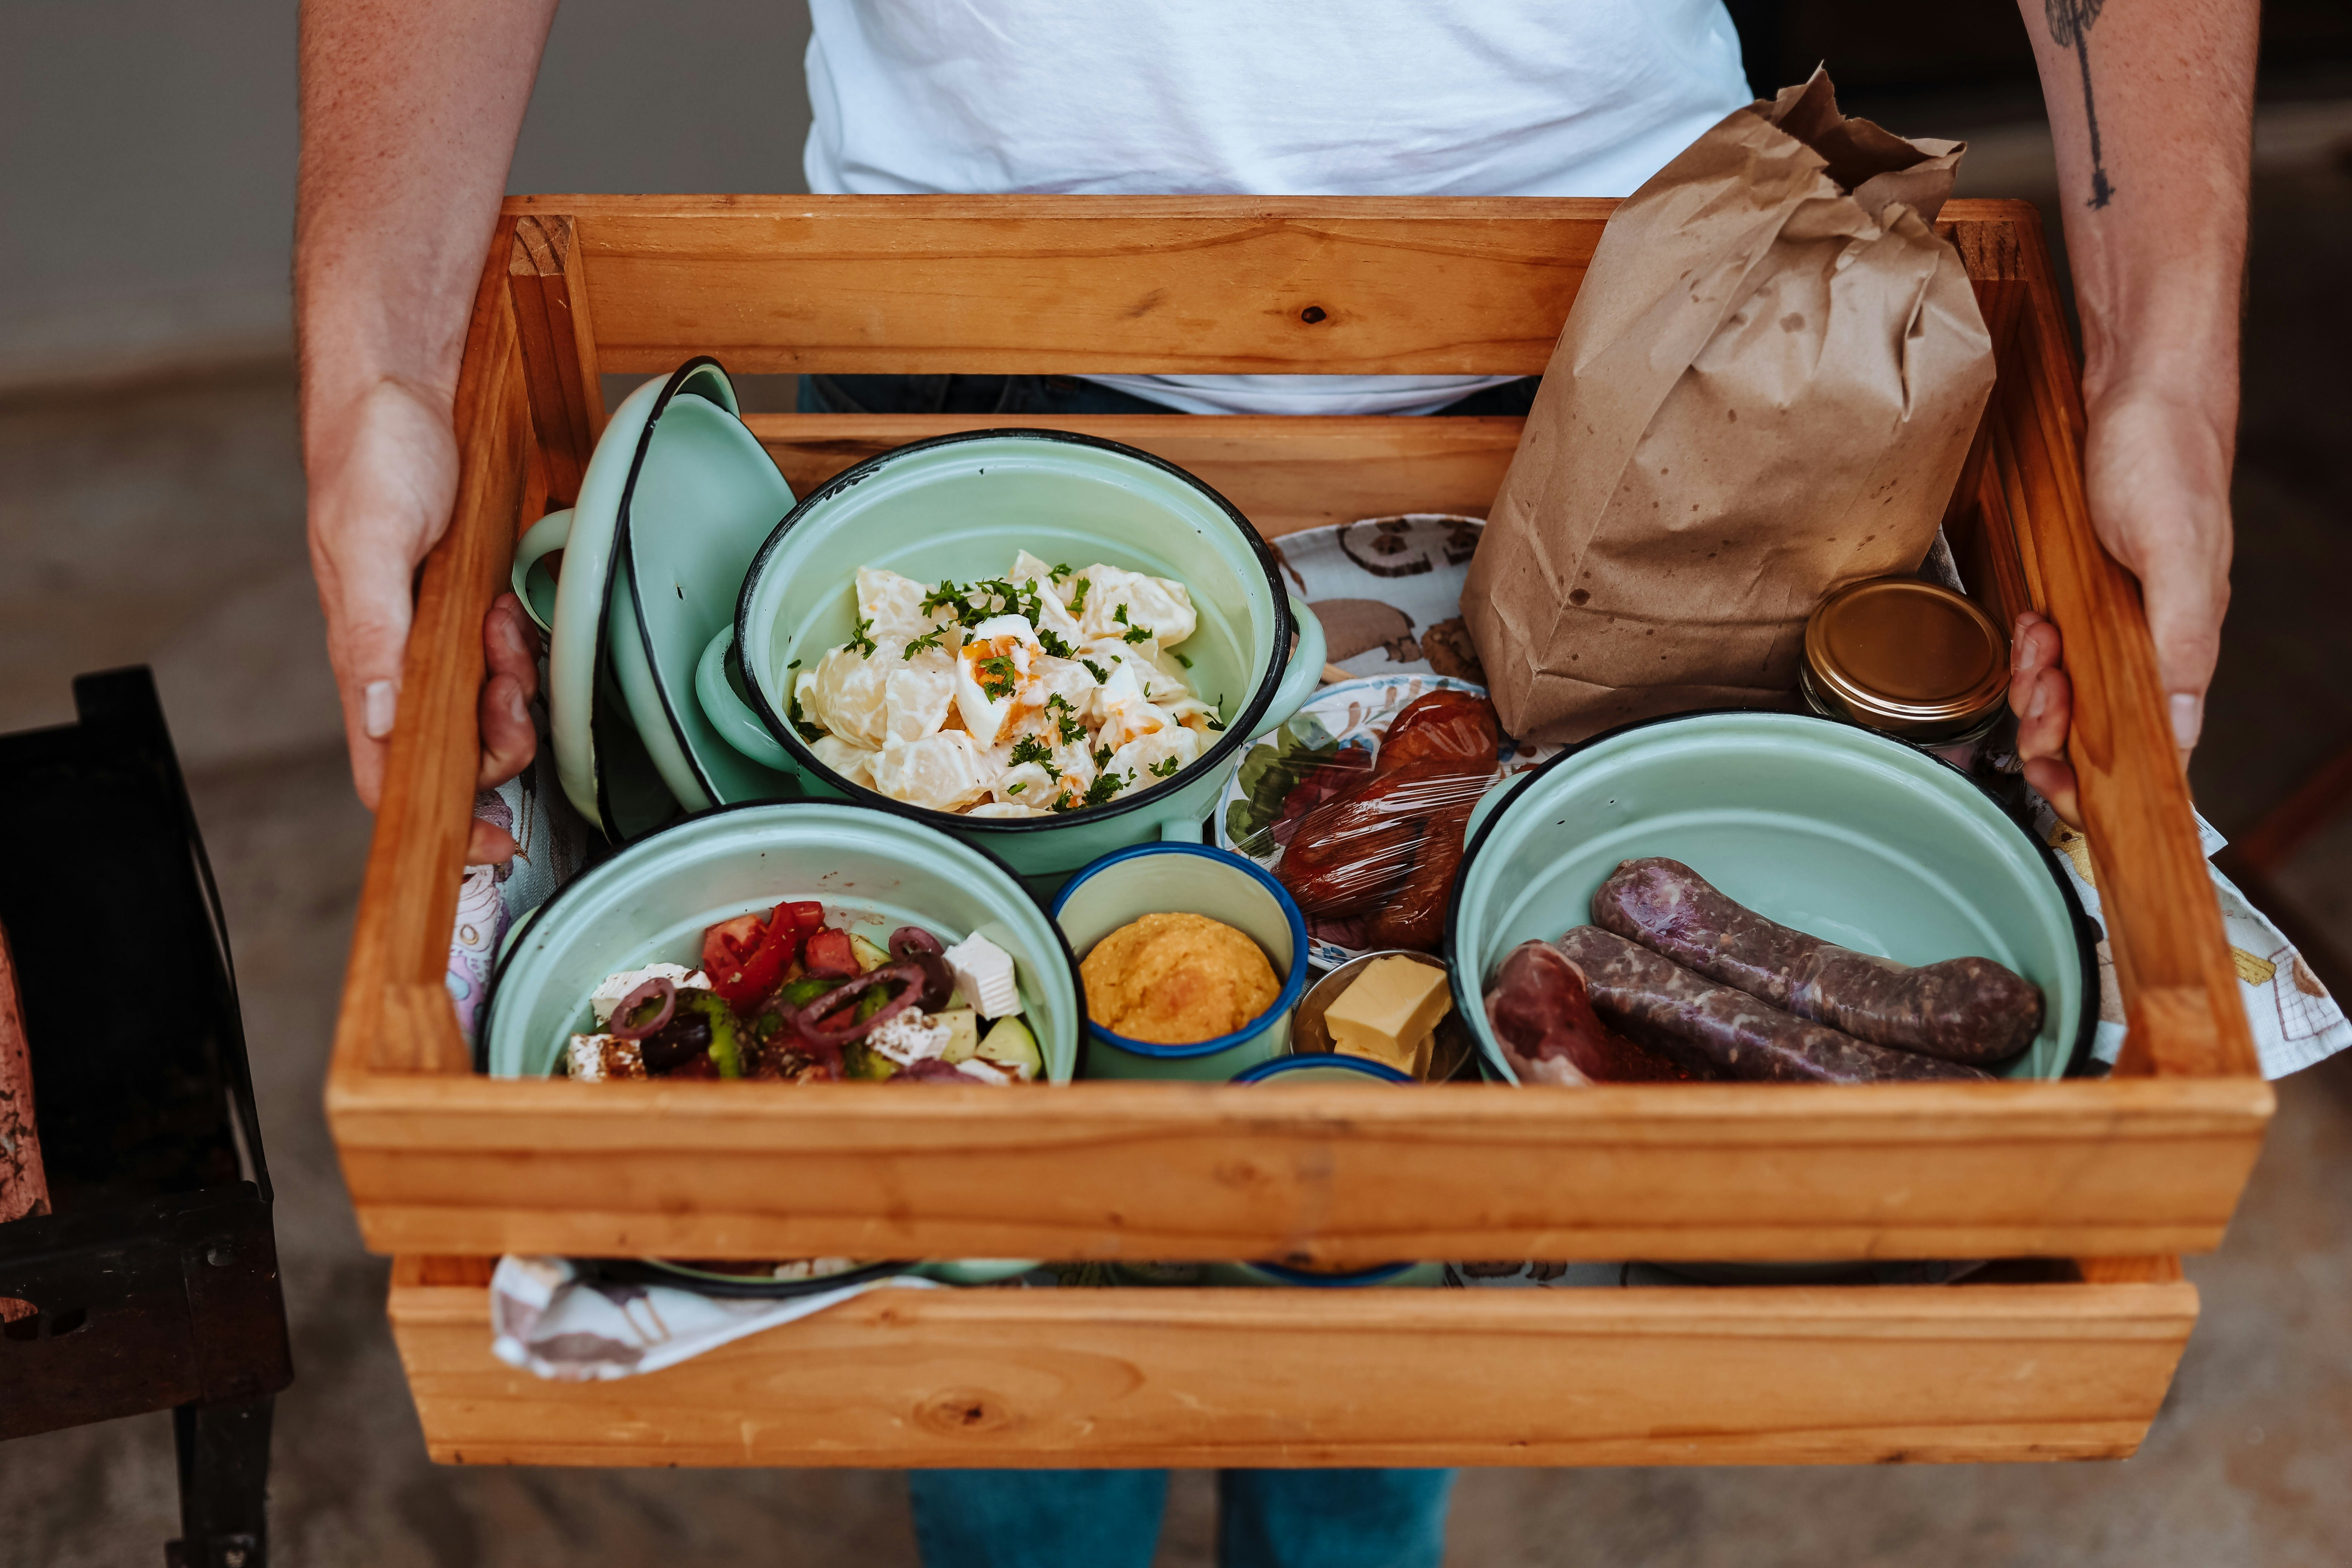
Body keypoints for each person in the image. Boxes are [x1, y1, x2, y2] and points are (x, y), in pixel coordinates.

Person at [295, 2, 2256, 1560]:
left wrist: (2167, 370)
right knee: (988, 1302)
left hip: (1657, 328)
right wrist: (376, 366)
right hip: (948, 347)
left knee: (1391, 1264)